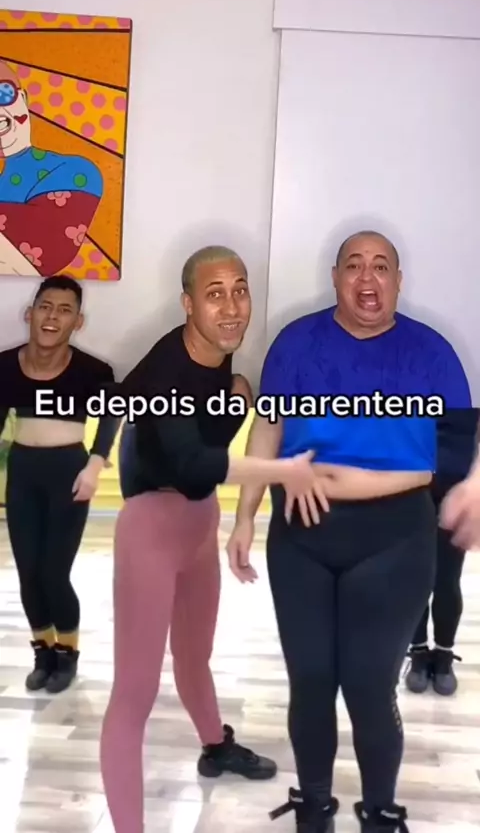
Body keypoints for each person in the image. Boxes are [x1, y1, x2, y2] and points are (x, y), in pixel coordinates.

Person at [226, 230, 472, 833]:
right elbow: (268, 428)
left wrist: (453, 488)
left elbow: (456, 448)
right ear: (335, 277)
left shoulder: (431, 352)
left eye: (381, 266)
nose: (368, 278)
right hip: (302, 536)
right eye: (355, 266)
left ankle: (380, 811)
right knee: (311, 682)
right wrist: (245, 514)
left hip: (395, 538)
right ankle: (314, 804)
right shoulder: (295, 342)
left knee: (366, 686)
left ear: (397, 281)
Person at [99, 246, 327, 833]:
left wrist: (238, 394)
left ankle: (214, 746)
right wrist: (281, 469)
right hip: (150, 530)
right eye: (215, 294)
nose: (231, 307)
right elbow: (195, 462)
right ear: (187, 303)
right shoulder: (165, 374)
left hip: (198, 525)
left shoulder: (218, 359)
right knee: (134, 692)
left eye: (240, 290)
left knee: (194, 656)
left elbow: (210, 434)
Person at [0, 275, 117, 693]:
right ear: (30, 313)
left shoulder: (93, 371)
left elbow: (112, 415)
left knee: (53, 573)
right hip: (23, 471)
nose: (53, 317)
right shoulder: (4, 365)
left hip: (68, 472)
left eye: (65, 310)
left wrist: (94, 465)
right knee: (28, 574)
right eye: (46, 307)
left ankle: (67, 654)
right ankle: (43, 653)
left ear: (77, 322)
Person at [404, 408, 478, 696]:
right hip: (409, 482)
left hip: (458, 484)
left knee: (447, 577)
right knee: (414, 576)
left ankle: (444, 654)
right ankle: (418, 652)